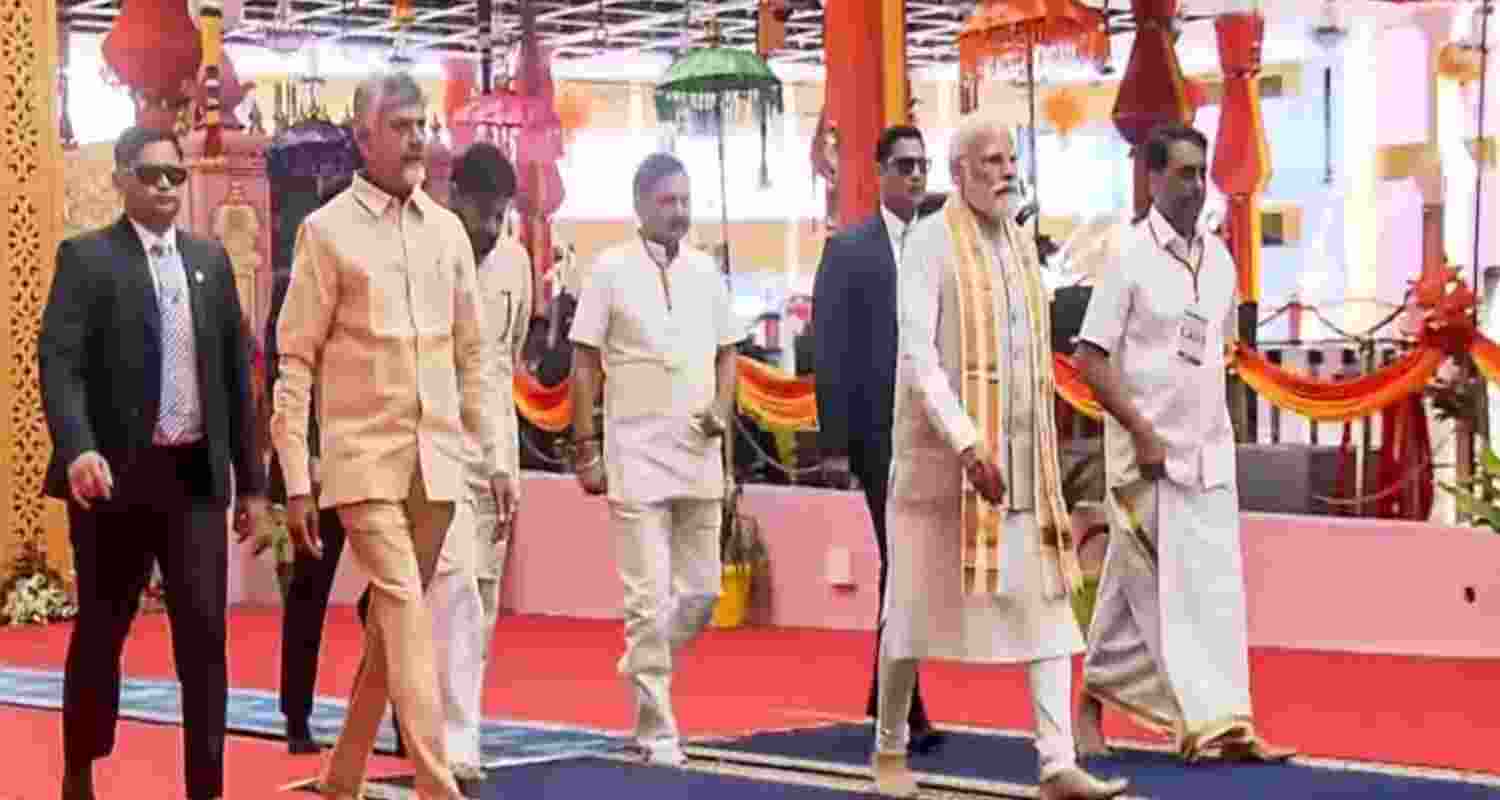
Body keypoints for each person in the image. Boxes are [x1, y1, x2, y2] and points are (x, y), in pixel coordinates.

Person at [870, 112, 1128, 800]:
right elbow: (918, 358)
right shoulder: (928, 245)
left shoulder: (1017, 246)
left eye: (1010, 158)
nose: (1006, 171)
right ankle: (889, 749)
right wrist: (965, 441)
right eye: (989, 161)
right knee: (910, 612)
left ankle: (1056, 762)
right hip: (942, 468)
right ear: (958, 175)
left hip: (1019, 467)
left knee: (1045, 607)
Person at [271, 71, 510, 800]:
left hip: (440, 461)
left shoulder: (445, 232)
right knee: (404, 601)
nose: (416, 140)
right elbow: (294, 362)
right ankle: (438, 786)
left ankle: (342, 775)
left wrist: (496, 455)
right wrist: (295, 480)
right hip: (362, 462)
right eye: (401, 127)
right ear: (363, 136)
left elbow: (473, 356)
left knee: (388, 622)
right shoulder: (325, 232)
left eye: (421, 126)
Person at [40, 125, 267, 800]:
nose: (166, 187)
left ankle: (207, 787)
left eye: (175, 176)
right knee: (102, 635)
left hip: (195, 482)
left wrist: (253, 486)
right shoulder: (85, 259)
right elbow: (60, 364)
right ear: (120, 181)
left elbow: (234, 375)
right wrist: (78, 446)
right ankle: (80, 764)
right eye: (151, 175)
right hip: (113, 484)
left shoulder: (210, 261)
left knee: (204, 644)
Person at [1072, 122, 1294, 765]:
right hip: (1148, 455)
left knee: (1211, 592)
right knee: (1152, 587)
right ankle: (1195, 721)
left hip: (1208, 453)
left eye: (1202, 173)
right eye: (1183, 174)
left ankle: (1227, 722)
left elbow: (1212, 353)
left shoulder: (1220, 259)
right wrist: (1141, 431)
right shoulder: (1127, 256)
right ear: (1151, 178)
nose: (1197, 186)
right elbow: (1090, 359)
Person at [569, 153, 743, 766]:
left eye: (685, 200)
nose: (680, 212)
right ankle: (657, 727)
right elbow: (584, 362)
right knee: (645, 600)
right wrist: (584, 447)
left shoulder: (706, 271)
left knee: (700, 594)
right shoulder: (609, 270)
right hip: (634, 451)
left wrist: (723, 408)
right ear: (640, 205)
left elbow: (728, 354)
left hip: (700, 451)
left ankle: (643, 659)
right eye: (668, 201)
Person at [812, 125, 943, 753]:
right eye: (905, 165)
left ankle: (886, 694)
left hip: (939, 431)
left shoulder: (944, 247)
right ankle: (904, 706)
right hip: (877, 434)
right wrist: (834, 444)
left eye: (923, 165)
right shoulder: (851, 250)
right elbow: (830, 351)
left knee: (914, 565)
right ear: (880, 171)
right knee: (904, 561)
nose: (917, 175)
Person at [269, 175, 408, 759]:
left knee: (397, 594)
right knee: (307, 595)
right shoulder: (293, 290)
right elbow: (285, 383)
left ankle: (406, 721)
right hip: (320, 468)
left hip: (376, 460)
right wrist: (292, 475)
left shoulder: (383, 279)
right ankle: (296, 715)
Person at [426, 142, 531, 786]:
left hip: (500, 450)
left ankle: (458, 720)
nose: (490, 231)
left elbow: (506, 361)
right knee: (458, 590)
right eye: (481, 215)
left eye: (501, 218)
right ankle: (453, 742)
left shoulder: (517, 262)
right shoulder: (431, 251)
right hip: (439, 440)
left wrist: (502, 456)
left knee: (483, 597)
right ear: (454, 197)